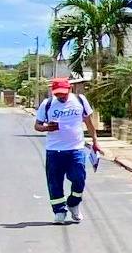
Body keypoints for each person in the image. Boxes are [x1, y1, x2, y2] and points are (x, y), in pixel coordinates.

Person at [33, 76, 98, 224]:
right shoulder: (47, 104)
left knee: (79, 179)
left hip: (76, 149)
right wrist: (46, 128)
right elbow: (37, 125)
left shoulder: (80, 100)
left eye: (63, 93)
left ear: (70, 89)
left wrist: (95, 141)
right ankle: (59, 211)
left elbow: (89, 122)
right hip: (54, 151)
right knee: (55, 182)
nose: (61, 96)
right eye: (57, 94)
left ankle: (73, 203)